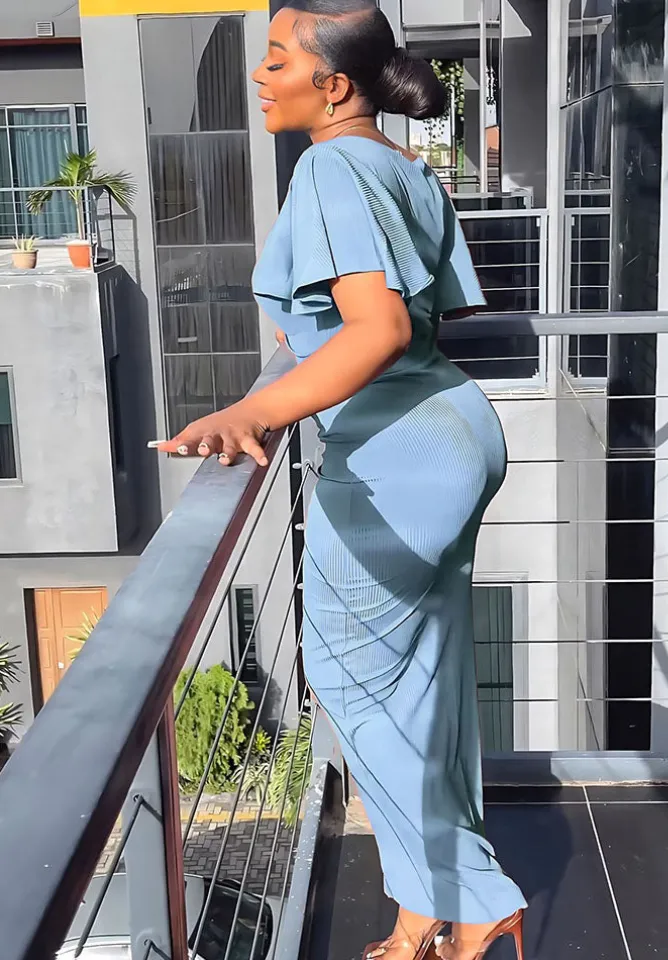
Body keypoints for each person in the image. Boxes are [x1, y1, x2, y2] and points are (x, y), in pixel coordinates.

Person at [156, 2, 527, 957]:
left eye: (278, 60)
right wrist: (300, 358)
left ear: (333, 86)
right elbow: (418, 314)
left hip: (397, 450)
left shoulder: (328, 168)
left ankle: (475, 897)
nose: (260, 75)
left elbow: (380, 328)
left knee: (351, 687)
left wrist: (254, 412)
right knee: (424, 691)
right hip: (451, 427)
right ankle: (423, 916)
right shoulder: (402, 164)